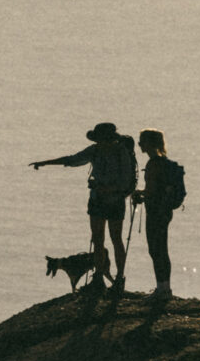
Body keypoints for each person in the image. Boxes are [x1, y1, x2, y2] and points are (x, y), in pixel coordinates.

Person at [32, 122, 137, 290]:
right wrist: (46, 162)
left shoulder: (120, 152)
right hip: (102, 200)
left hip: (111, 200)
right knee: (98, 239)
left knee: (114, 239)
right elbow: (72, 160)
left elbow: (124, 182)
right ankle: (100, 278)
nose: (98, 142)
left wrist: (103, 188)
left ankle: (118, 279)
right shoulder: (96, 150)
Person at [133, 129, 184, 299]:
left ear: (150, 143)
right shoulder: (165, 162)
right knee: (161, 249)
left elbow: (152, 191)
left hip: (155, 211)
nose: (140, 145)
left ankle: (162, 290)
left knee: (156, 250)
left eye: (142, 141)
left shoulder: (153, 164)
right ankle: (165, 288)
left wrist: (140, 194)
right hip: (165, 211)